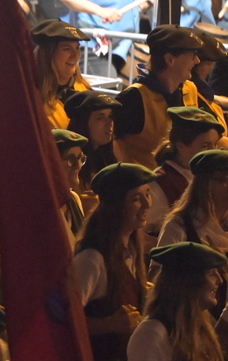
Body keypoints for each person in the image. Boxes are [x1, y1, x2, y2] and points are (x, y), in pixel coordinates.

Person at [74, 163, 155, 361]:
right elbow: (62, 320)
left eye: (147, 194)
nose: (147, 204)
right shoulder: (92, 259)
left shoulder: (132, 249)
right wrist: (109, 324)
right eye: (136, 199)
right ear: (116, 206)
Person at [127, 241, 225, 361]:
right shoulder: (152, 332)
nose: (220, 280)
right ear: (187, 282)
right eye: (211, 274)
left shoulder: (199, 325)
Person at [114, 26, 204, 170]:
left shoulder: (189, 89)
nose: (197, 61)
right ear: (170, 59)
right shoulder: (134, 98)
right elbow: (110, 145)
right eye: (192, 55)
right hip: (145, 181)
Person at [149, 109, 225, 232]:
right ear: (181, 146)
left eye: (215, 144)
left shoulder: (217, 177)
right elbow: (147, 233)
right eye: (205, 146)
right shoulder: (159, 182)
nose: (213, 151)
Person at [32, 19, 91, 129]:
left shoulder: (84, 88)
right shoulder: (32, 96)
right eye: (67, 49)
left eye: (77, 48)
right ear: (48, 55)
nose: (75, 55)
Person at [67, 90, 121, 188]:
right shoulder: (70, 162)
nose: (109, 123)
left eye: (110, 116)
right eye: (100, 118)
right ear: (83, 123)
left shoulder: (106, 159)